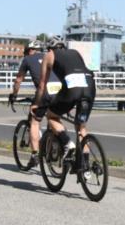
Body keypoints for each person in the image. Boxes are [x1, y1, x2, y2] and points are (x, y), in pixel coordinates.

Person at [33, 35, 96, 174]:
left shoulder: (49, 55)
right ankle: (84, 164)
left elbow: (42, 85)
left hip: (72, 88)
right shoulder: (75, 52)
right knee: (81, 127)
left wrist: (37, 103)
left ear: (49, 48)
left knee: (51, 116)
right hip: (90, 86)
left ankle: (68, 144)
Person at [9, 40, 61, 168]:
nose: (26, 54)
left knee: (34, 120)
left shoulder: (27, 59)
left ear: (30, 50)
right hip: (59, 90)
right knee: (54, 118)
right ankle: (56, 144)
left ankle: (34, 155)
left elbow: (18, 79)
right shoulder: (48, 56)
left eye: (26, 52)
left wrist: (14, 95)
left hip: (45, 91)